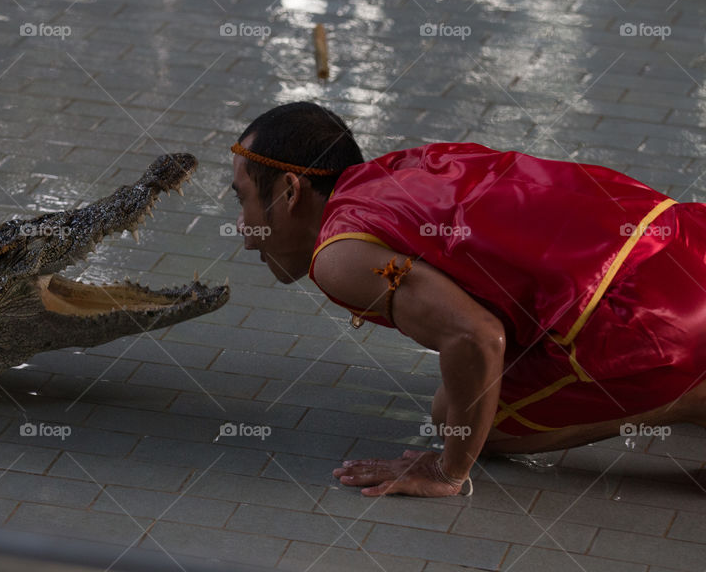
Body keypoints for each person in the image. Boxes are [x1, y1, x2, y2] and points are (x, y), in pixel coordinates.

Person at [229, 101, 706, 498]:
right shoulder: (402, 170)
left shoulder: (339, 256)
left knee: (462, 421)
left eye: (243, 199)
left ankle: (691, 399)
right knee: (471, 392)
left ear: (290, 191)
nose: (245, 231)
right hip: (687, 242)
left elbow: (476, 335)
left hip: (652, 318)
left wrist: (447, 469)